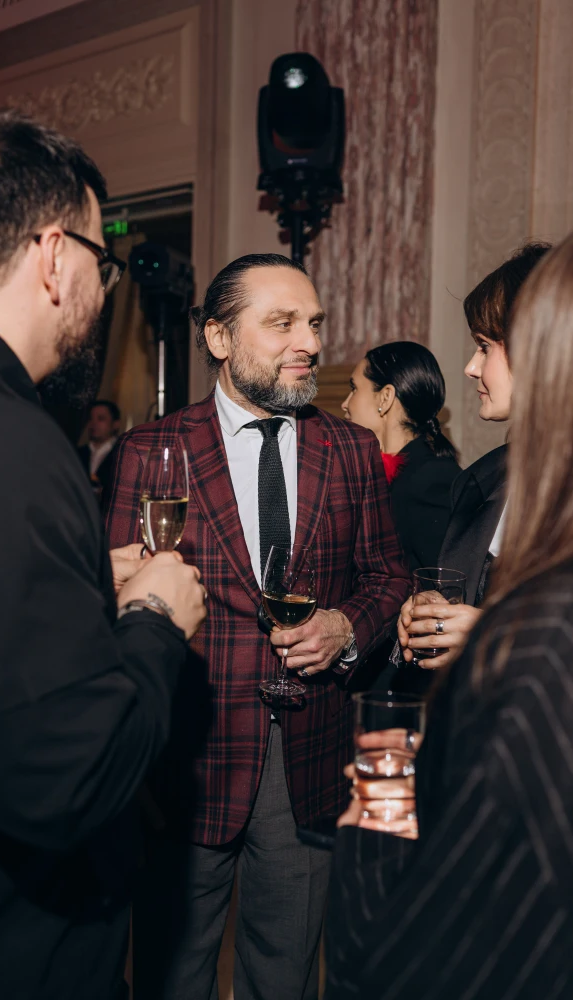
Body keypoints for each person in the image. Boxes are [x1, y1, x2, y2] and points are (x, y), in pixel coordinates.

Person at [0, 108, 206, 1000]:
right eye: (99, 262)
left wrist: (80, 591)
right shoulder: (3, 435)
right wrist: (154, 620)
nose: (104, 290)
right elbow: (66, 779)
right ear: (51, 256)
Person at [106, 253, 411, 1000]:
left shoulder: (350, 449)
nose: (309, 342)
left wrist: (343, 627)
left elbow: (389, 577)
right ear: (218, 337)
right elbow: (117, 603)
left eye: (314, 323)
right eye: (281, 323)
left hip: (306, 760)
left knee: (285, 975)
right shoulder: (151, 450)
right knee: (171, 975)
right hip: (184, 758)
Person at [324, 232, 573, 1000]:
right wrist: (420, 616)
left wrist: (379, 793)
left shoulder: (542, 638)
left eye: (485, 347)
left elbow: (411, 953)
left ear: (546, 354)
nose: (467, 367)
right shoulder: (486, 477)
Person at [398, 242, 551, 671]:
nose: (470, 367)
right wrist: (430, 610)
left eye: (484, 347)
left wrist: (491, 633)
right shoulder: (477, 480)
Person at [341, 341, 460, 571]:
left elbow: (445, 579)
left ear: (385, 398)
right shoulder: (378, 472)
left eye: (354, 388)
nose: (345, 404)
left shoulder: (431, 479)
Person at [77, 398, 121, 498]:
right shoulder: (77, 453)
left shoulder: (123, 454)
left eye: (101, 419)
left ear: (115, 424)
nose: (93, 423)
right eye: (90, 418)